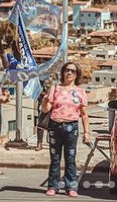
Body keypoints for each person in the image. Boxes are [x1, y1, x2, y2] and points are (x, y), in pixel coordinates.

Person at [42, 62, 91, 197]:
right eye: (67, 70)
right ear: (63, 72)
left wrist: (87, 132)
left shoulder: (80, 92)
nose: (69, 73)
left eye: (73, 71)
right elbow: (46, 109)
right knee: (55, 158)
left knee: (70, 158)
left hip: (71, 127)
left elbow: (84, 114)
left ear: (77, 74)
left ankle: (71, 187)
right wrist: (45, 99)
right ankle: (53, 186)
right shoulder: (55, 88)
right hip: (55, 126)